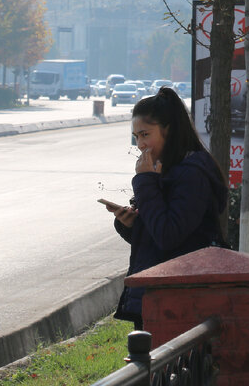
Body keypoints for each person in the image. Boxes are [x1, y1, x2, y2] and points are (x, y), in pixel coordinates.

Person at [104, 86, 229, 329]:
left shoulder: (192, 173)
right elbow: (156, 233)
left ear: (168, 130)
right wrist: (130, 224)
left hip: (181, 297)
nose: (140, 144)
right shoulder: (166, 168)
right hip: (159, 291)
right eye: (136, 136)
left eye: (145, 134)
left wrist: (145, 181)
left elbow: (168, 235)